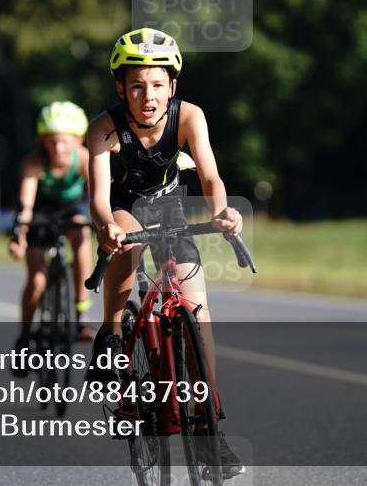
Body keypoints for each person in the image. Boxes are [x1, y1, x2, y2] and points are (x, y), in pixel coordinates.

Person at [86, 27, 244, 479]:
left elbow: (211, 178)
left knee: (199, 313)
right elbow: (98, 197)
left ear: (172, 85)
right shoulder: (103, 128)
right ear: (121, 88)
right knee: (128, 247)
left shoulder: (190, 116)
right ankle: (112, 335)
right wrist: (107, 226)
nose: (147, 95)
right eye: (136, 85)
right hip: (122, 209)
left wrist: (221, 212)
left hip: (171, 211)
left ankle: (208, 426)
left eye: (157, 84)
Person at [9, 101, 95, 373]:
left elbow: (97, 198)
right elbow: (26, 203)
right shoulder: (34, 162)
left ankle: (80, 315)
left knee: (82, 233)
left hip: (70, 211)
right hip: (39, 215)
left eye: (65, 142)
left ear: (78, 140)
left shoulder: (83, 158)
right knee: (36, 280)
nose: (58, 149)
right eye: (52, 142)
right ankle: (24, 338)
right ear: (43, 141)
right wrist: (20, 236)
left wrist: (105, 225)